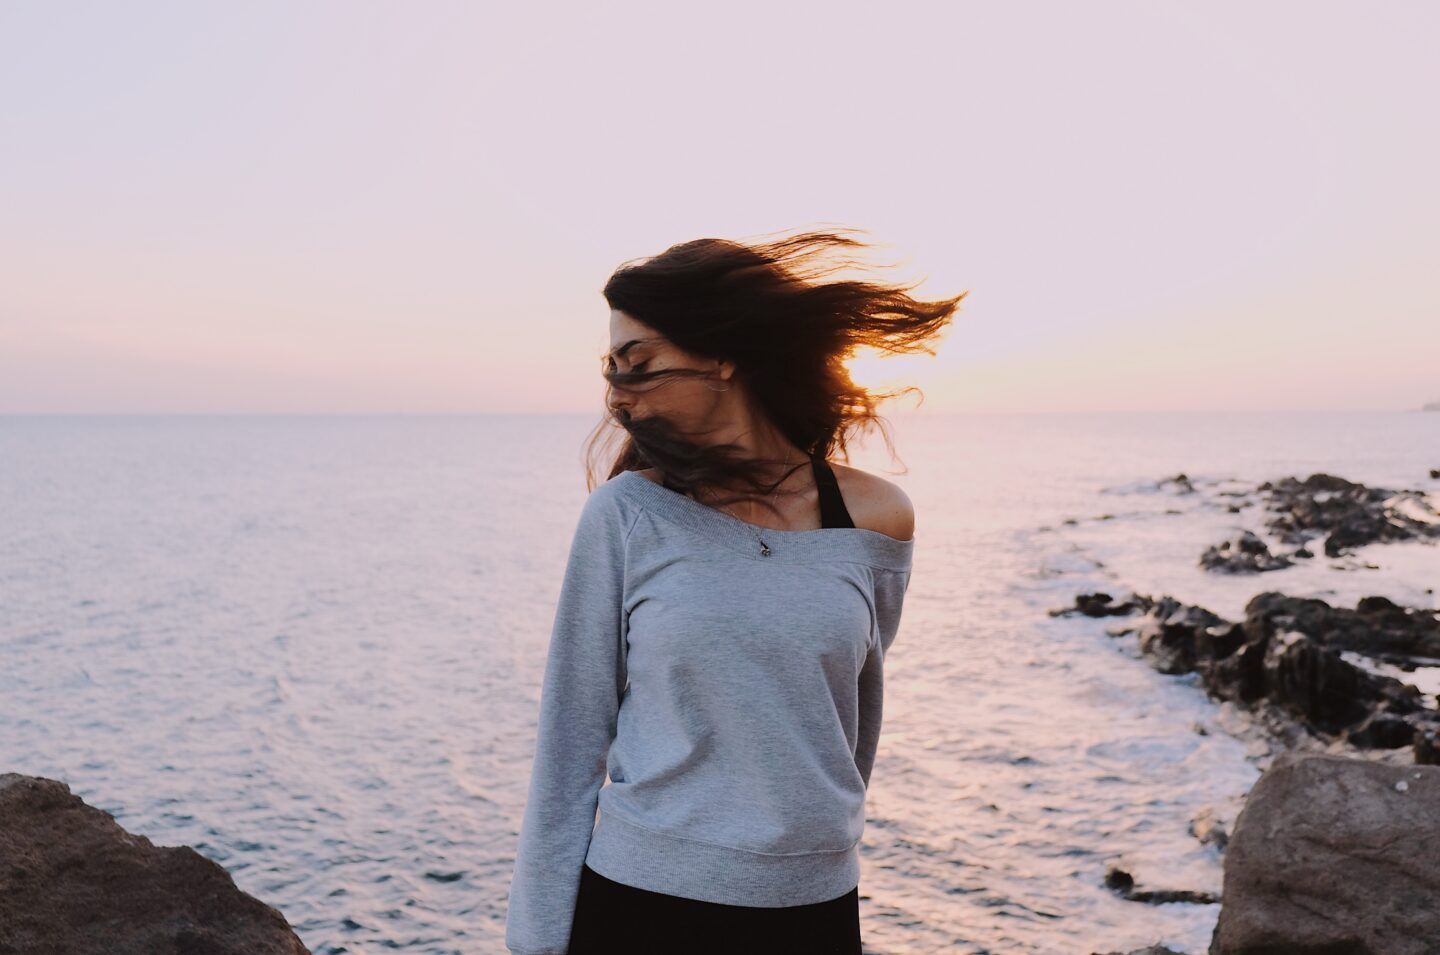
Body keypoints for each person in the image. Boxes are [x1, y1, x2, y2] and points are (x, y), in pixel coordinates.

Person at [504, 228, 962, 954]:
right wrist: (536, 944)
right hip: (643, 907)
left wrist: (816, 848)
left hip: (814, 910)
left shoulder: (876, 517)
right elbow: (570, 743)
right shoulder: (627, 515)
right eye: (610, 368)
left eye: (638, 363)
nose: (616, 393)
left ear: (721, 353)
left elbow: (849, 723)